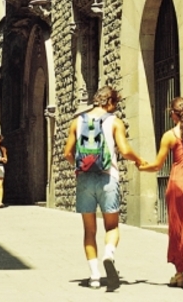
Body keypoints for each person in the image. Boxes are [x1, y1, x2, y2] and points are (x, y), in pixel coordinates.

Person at [63, 86, 145, 290]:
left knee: (89, 230)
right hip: (108, 178)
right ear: (110, 102)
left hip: (84, 180)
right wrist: (138, 160)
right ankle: (109, 254)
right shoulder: (115, 122)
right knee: (112, 226)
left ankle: (94, 276)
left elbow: (67, 153)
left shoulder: (77, 121)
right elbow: (124, 150)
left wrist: (78, 168)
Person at [138, 96, 183, 296]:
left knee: (178, 229)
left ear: (173, 115)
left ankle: (179, 274)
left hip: (177, 185)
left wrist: (141, 166)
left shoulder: (169, 136)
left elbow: (157, 165)